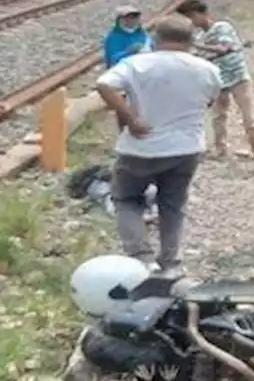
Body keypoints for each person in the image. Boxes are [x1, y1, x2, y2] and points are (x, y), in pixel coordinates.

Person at [95, 15, 222, 276]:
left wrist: (130, 118)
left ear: (156, 38)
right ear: (192, 40)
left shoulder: (136, 64)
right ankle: (170, 262)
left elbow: (104, 84)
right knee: (173, 203)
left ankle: (141, 257)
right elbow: (210, 99)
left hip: (140, 146)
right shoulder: (207, 69)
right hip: (186, 148)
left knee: (127, 199)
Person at [176, 0, 254, 159]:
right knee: (218, 116)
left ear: (204, 13)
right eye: (187, 17)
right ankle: (221, 150)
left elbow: (224, 48)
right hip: (218, 81)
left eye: (192, 16)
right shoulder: (200, 36)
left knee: (249, 116)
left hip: (238, 76)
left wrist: (196, 46)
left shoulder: (222, 27)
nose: (191, 21)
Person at [102, 4, 152, 69]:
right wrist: (129, 52)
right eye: (130, 17)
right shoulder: (113, 37)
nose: (134, 20)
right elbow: (113, 60)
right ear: (121, 20)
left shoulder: (141, 32)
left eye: (136, 17)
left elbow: (151, 44)